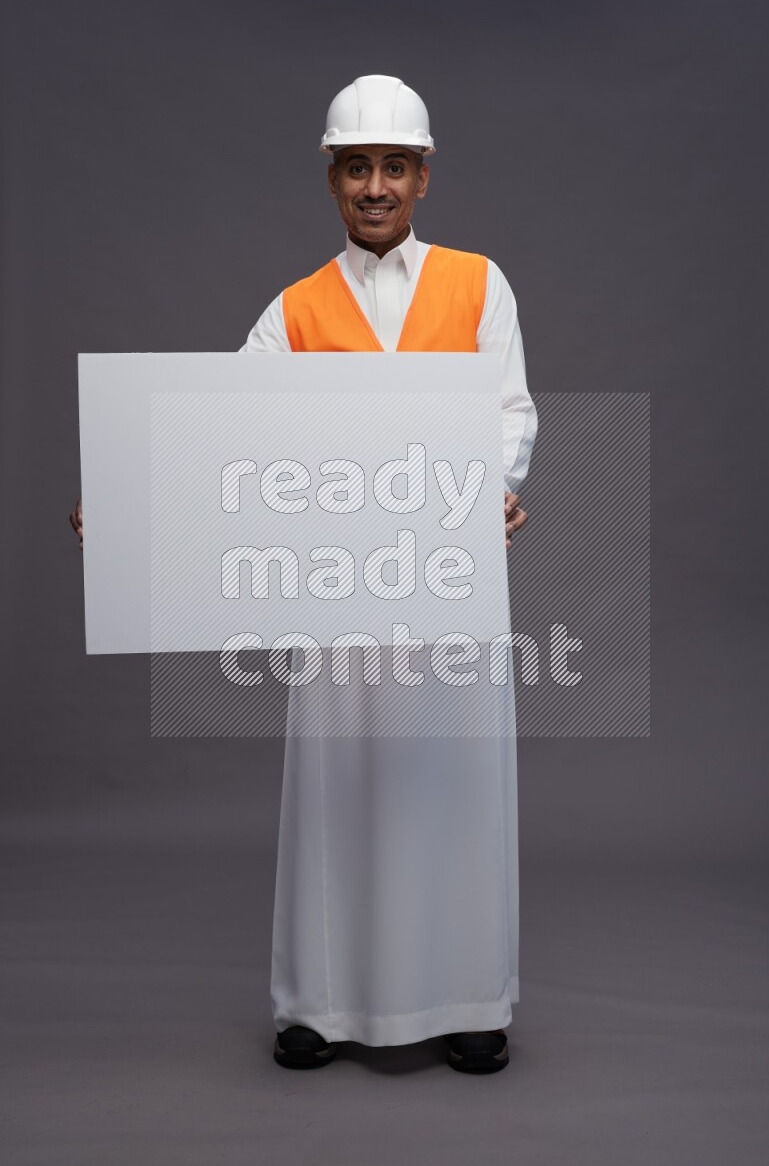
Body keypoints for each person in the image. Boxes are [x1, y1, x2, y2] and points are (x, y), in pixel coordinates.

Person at [69, 74, 537, 1075]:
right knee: (340, 789)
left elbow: (508, 413)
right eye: (357, 166)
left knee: (451, 788)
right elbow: (219, 430)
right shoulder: (293, 309)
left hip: (447, 592)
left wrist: (488, 490)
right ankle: (316, 1003)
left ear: (422, 177)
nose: (376, 185)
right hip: (335, 598)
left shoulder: (477, 283)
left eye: (394, 167)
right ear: (332, 179)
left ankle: (469, 1001)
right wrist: (127, 503)